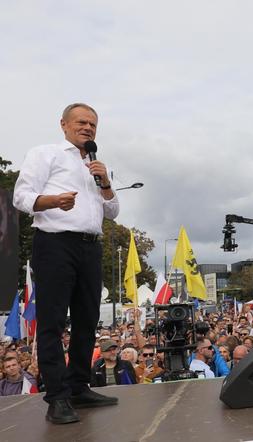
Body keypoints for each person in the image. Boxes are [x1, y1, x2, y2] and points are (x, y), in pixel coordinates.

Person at [13, 103, 120, 424]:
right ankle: (57, 397)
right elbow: (20, 197)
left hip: (91, 246)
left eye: (93, 124)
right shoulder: (45, 154)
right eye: (81, 122)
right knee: (53, 321)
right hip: (55, 243)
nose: (88, 128)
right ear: (64, 124)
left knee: (88, 320)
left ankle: (78, 386)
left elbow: (112, 211)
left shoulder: (96, 164)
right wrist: (52, 201)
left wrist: (104, 182)